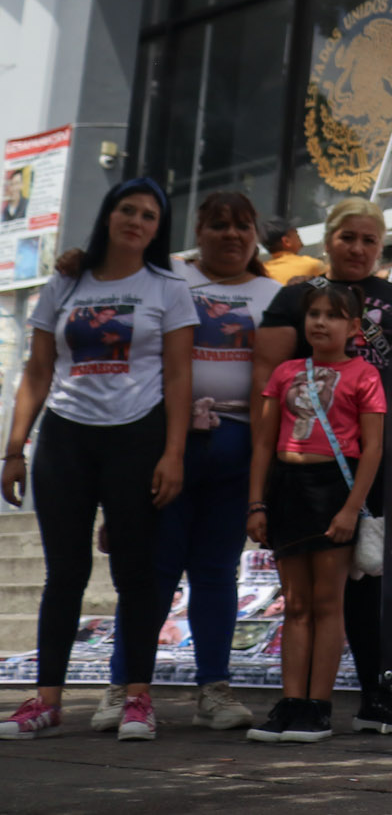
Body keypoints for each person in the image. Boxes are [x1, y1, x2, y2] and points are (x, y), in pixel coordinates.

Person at [0, 179, 195, 741]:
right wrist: (14, 449)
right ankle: (46, 701)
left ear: (158, 229)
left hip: (138, 437)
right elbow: (38, 371)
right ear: (108, 215)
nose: (136, 221)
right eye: (127, 210)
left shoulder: (169, 286)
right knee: (65, 573)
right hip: (65, 438)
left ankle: (137, 698)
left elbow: (179, 376)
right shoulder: (65, 280)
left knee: (136, 573)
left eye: (149, 215)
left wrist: (174, 453)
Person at [98, 191, 277, 733]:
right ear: (198, 231)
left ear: (255, 234)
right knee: (151, 573)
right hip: (165, 447)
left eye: (242, 225)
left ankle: (214, 690)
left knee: (217, 573)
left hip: (237, 451)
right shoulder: (166, 276)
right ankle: (123, 687)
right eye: (218, 225)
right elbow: (107, 277)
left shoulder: (275, 294)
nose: (231, 235)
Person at [253, 198, 392, 735]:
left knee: (369, 583)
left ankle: (375, 694)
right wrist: (259, 492)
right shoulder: (294, 296)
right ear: (327, 239)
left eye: (369, 240)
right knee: (307, 599)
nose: (357, 248)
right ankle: (301, 701)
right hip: (301, 466)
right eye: (347, 237)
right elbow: (270, 379)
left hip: (373, 460)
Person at [244, 282, 386, 743]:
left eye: (333, 315)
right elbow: (263, 444)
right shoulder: (284, 372)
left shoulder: (364, 374)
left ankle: (318, 707)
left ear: (354, 327)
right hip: (287, 490)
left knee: (327, 604)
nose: (320, 323)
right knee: (296, 605)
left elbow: (372, 450)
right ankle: (290, 702)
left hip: (333, 491)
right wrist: (257, 503)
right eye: (314, 314)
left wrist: (349, 509)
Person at [262, 218, 322, 283]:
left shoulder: (263, 272)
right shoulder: (312, 265)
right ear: (286, 241)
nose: (298, 235)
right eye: (296, 232)